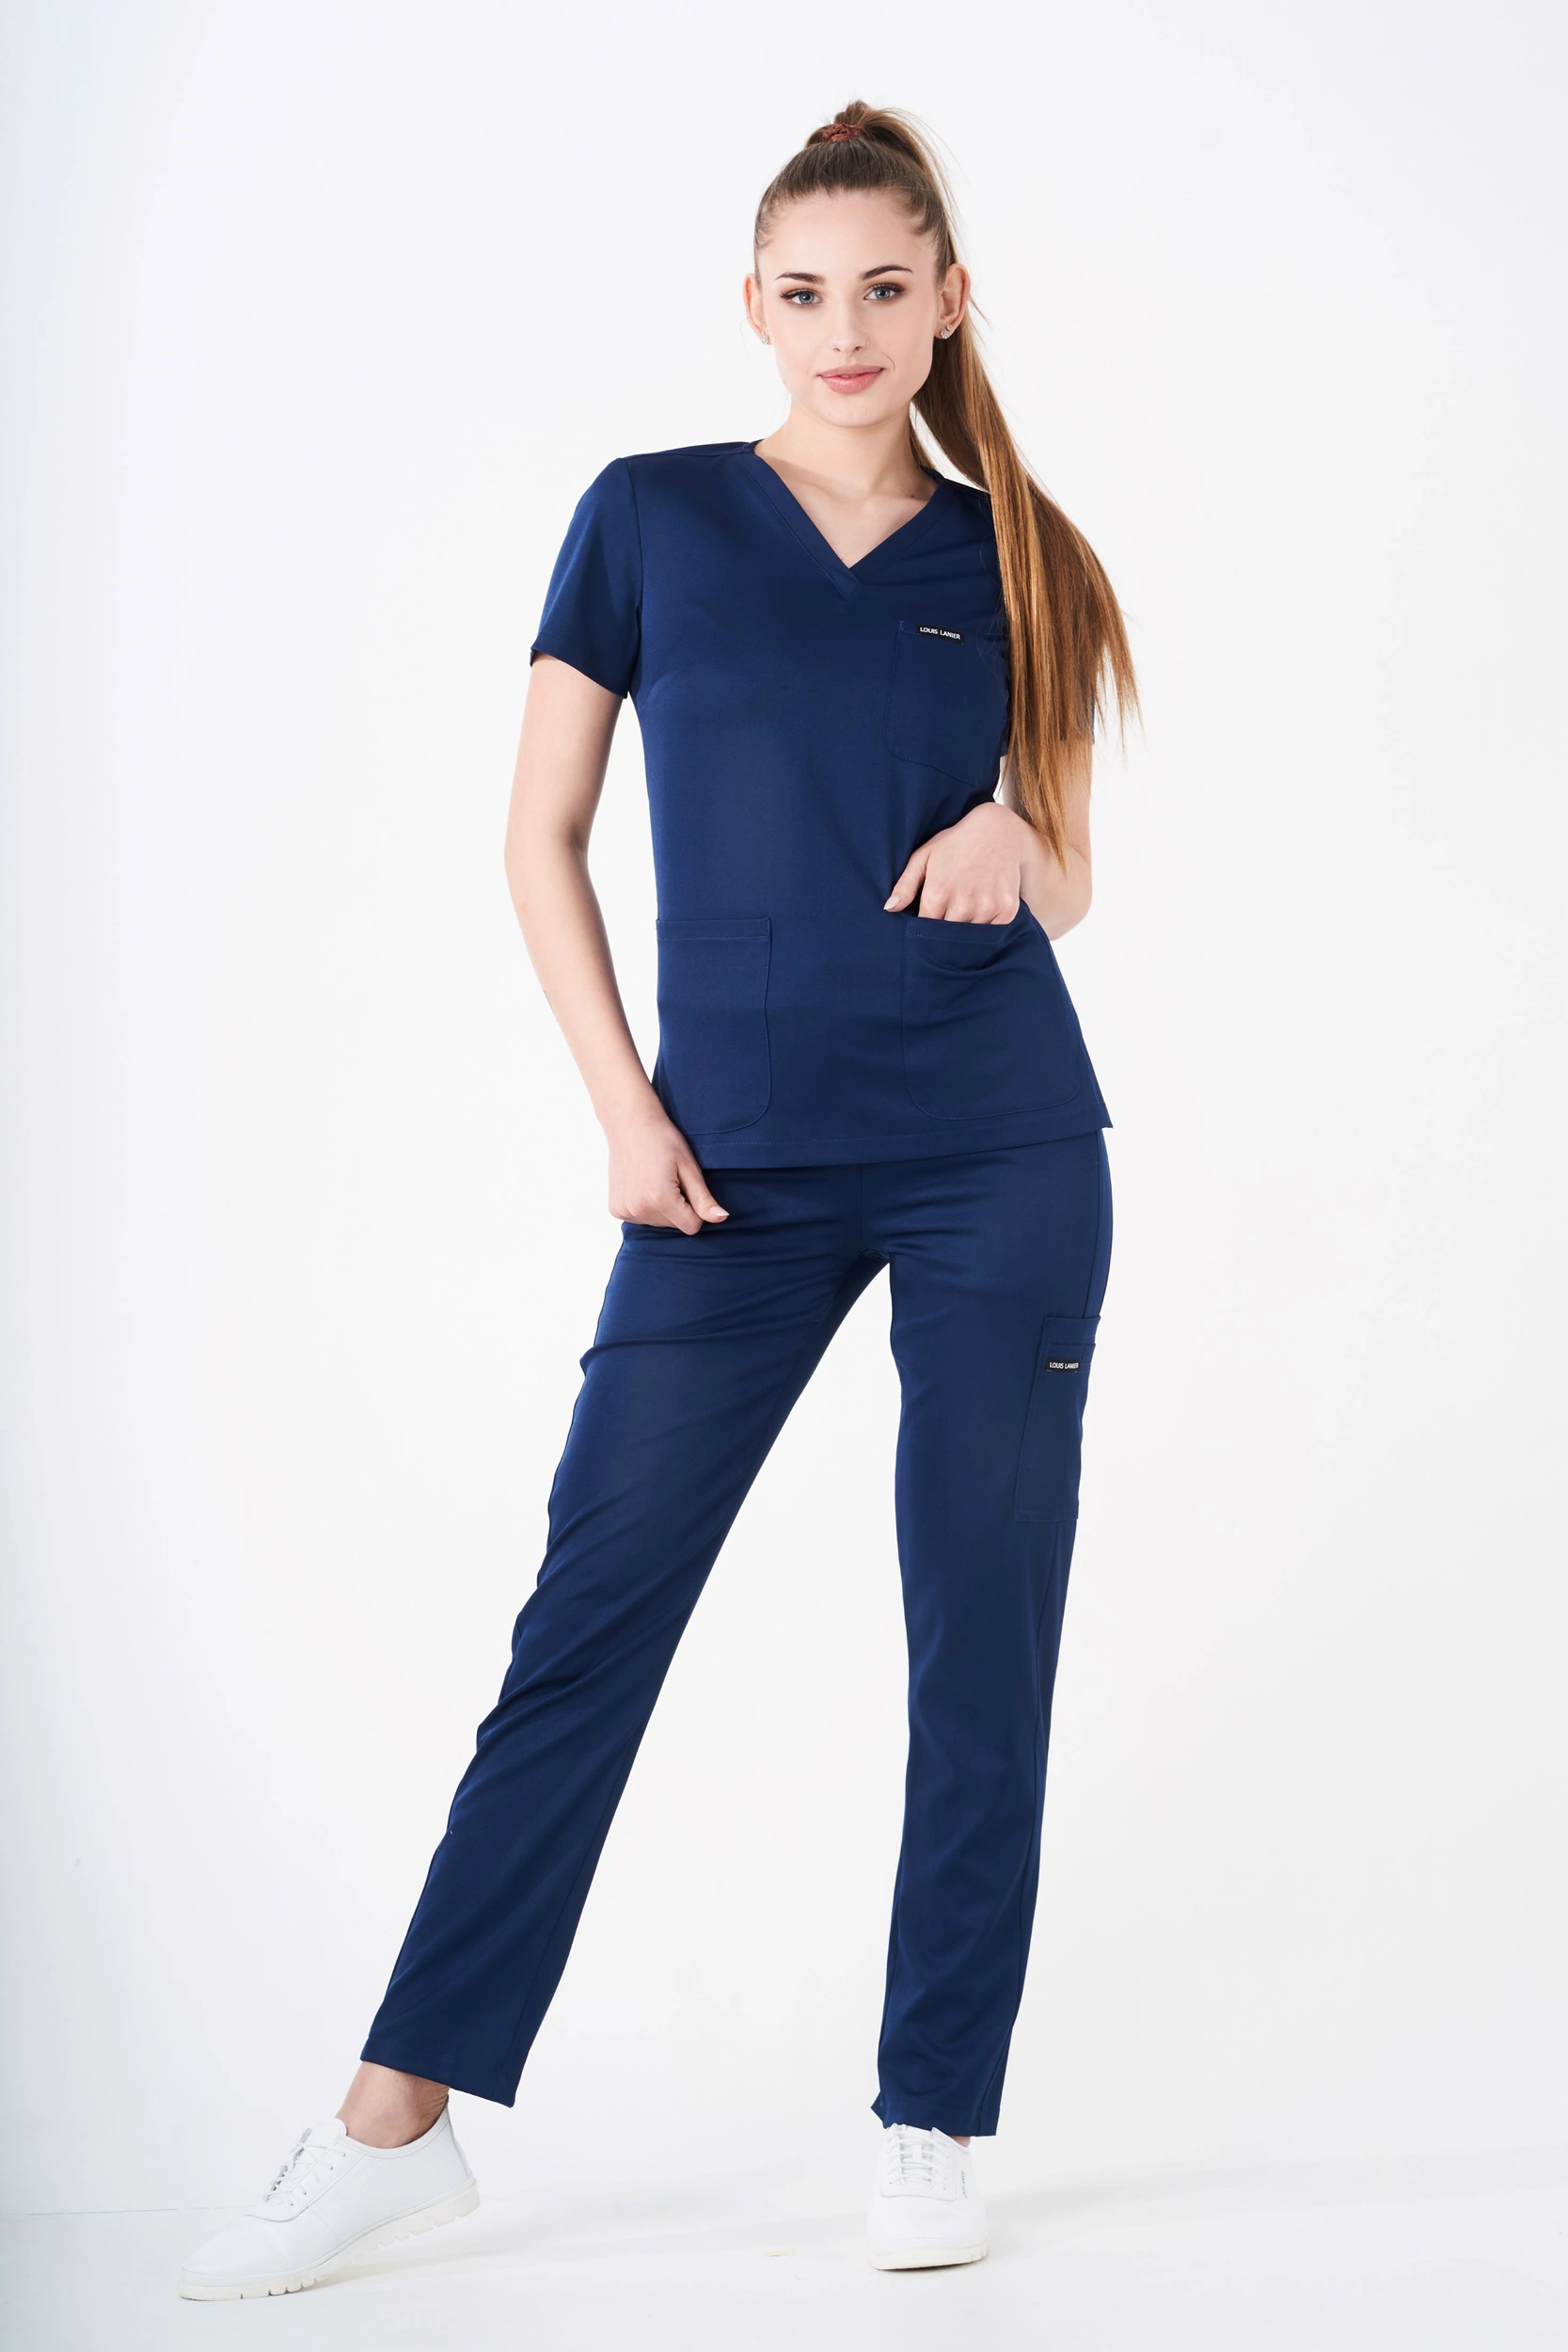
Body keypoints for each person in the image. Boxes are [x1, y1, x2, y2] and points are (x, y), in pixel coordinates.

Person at [179, 98, 1135, 2300]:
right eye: (802, 291)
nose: (842, 326)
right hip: (719, 1173)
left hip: (996, 1147)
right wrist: (624, 1110)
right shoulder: (649, 517)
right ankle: (392, 2122)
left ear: (948, 300)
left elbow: (1067, 867)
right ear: (752, 308)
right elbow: (537, 834)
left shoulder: (1026, 555)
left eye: (882, 286)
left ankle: (929, 2111)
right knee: (586, 1619)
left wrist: (1021, 844)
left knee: (977, 1627)